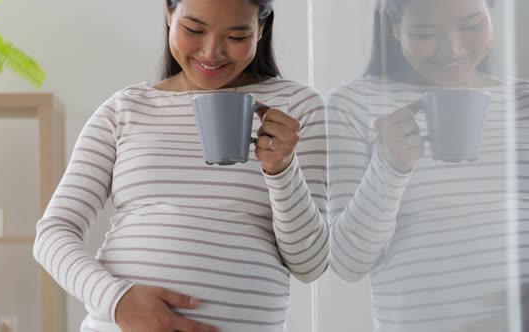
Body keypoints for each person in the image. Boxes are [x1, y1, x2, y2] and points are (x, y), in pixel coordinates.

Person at [33, 0, 330, 331]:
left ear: (261, 28)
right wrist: (117, 302)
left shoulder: (297, 108)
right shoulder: (124, 110)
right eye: (194, 30)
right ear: (169, 13)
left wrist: (282, 171)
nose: (211, 52)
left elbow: (310, 264)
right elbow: (52, 235)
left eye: (236, 35)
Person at [325, 0, 529, 331]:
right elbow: (348, 263)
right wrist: (389, 168)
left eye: (471, 25)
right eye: (425, 32)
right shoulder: (353, 104)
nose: (453, 48)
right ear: (394, 28)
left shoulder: (523, 101)